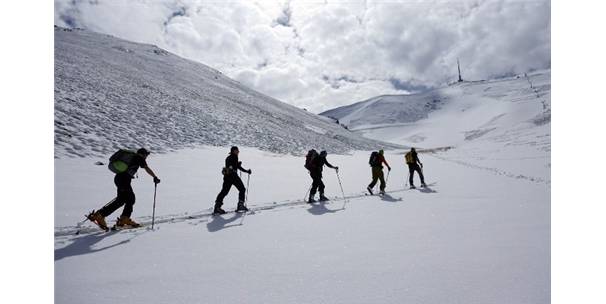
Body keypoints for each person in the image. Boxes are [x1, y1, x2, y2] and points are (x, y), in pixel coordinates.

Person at [88, 148, 160, 230]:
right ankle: (122, 219)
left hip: (120, 178)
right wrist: (155, 177)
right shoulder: (139, 158)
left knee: (121, 200)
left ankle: (101, 215)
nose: (146, 156)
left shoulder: (134, 157)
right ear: (142, 154)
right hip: (124, 180)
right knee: (131, 199)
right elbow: (146, 168)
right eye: (146, 154)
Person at [213, 146, 252, 214]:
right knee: (242, 189)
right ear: (234, 151)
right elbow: (236, 167)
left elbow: (232, 165)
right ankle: (240, 205)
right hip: (233, 176)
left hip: (227, 176)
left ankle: (217, 207)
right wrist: (246, 171)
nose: (238, 152)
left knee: (224, 191)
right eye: (237, 150)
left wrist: (237, 164)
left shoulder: (228, 157)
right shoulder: (234, 157)